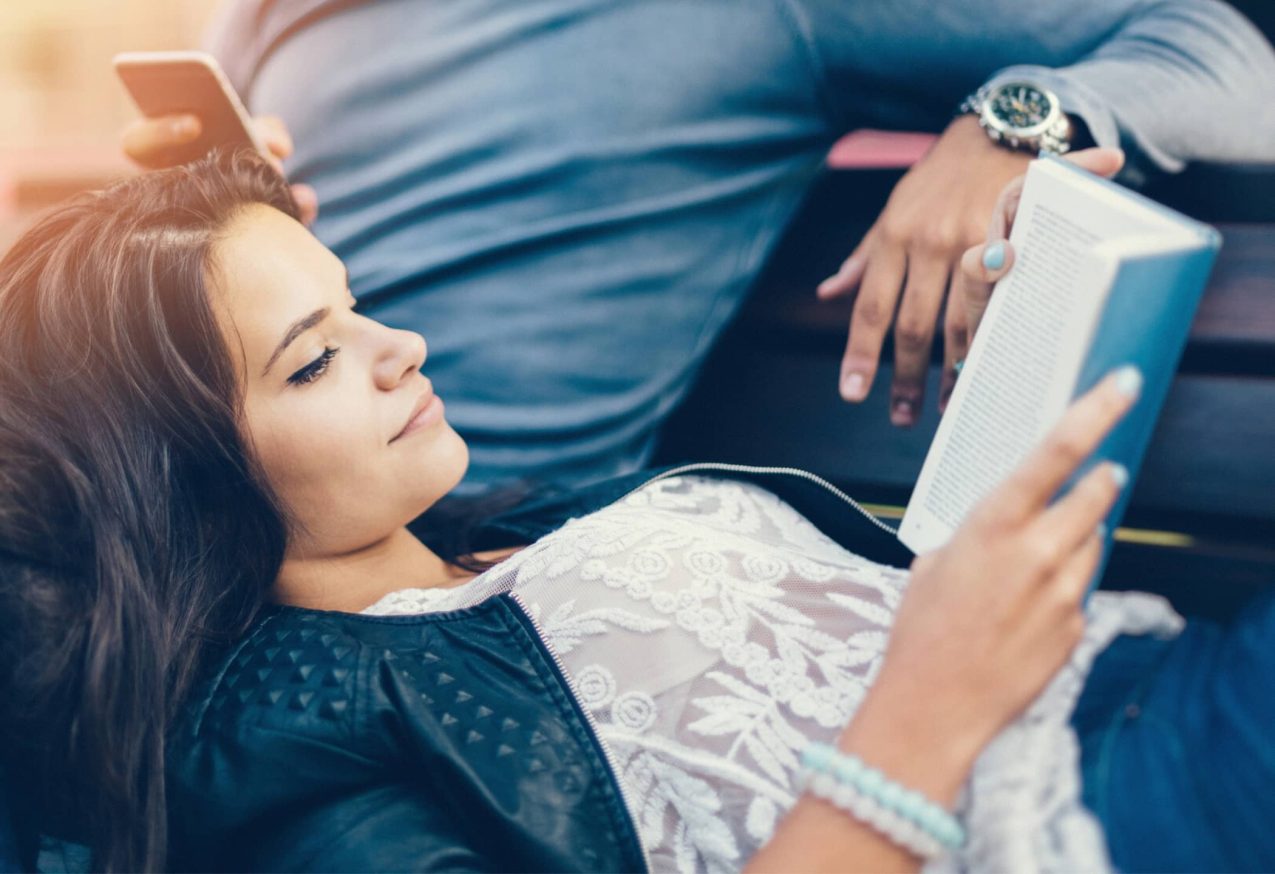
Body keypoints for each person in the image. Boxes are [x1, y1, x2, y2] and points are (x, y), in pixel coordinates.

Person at [2, 147, 1263, 874]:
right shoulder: (295, 786)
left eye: (353, 303)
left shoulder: (473, 535)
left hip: (1139, 679)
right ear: (175, 484)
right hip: (1091, 807)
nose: (402, 345)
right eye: (312, 360)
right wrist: (925, 713)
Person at [120, 0, 1275, 495]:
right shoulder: (275, 13)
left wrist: (1011, 122)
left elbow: (1232, 51)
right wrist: (207, 233)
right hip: (182, 490)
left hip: (447, 558)